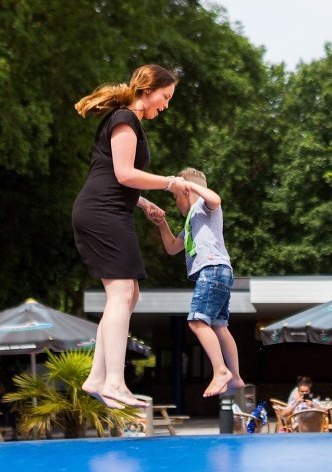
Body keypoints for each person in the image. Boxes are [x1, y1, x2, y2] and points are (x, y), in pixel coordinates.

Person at [73, 64, 189, 409]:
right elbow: (124, 173)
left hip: (109, 210)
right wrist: (170, 183)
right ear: (148, 90)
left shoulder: (126, 120)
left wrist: (142, 202)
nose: (166, 105)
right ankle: (114, 382)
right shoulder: (125, 118)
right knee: (122, 292)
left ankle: (98, 378)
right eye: (165, 96)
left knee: (129, 293)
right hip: (102, 212)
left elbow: (110, 173)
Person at [151, 167, 244, 397]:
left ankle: (220, 371)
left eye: (175, 196)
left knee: (196, 321)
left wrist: (188, 184)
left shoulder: (203, 206)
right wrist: (162, 224)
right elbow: (172, 248)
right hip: (220, 272)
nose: (175, 203)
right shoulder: (190, 221)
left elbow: (215, 199)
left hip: (212, 270)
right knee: (219, 326)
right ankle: (236, 376)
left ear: (185, 191)